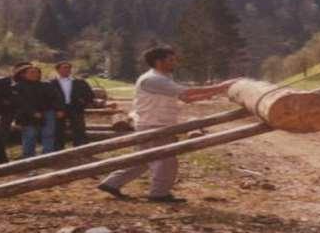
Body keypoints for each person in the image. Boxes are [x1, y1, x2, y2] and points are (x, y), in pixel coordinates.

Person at [96, 47, 235, 202]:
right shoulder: (153, 79)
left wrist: (217, 92)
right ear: (158, 61)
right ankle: (159, 194)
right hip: (154, 125)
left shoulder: (164, 78)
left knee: (141, 160)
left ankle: (111, 183)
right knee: (166, 161)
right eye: (171, 60)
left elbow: (185, 98)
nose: (175, 62)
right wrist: (222, 86)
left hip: (154, 123)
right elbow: (187, 92)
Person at [13, 64, 64, 158]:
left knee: (48, 134)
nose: (35, 74)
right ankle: (28, 157)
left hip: (48, 112)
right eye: (31, 72)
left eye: (37, 72)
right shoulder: (18, 87)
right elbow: (20, 102)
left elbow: (56, 98)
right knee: (30, 135)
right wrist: (33, 112)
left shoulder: (46, 85)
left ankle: (47, 156)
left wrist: (59, 109)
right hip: (27, 115)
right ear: (23, 74)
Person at [50, 61, 95, 149]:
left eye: (68, 68)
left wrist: (82, 103)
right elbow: (48, 98)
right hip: (59, 109)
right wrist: (56, 109)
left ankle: (80, 149)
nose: (67, 69)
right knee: (58, 130)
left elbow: (90, 95)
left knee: (79, 129)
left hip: (75, 108)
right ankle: (58, 150)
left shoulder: (80, 82)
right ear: (58, 70)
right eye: (64, 67)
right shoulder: (51, 83)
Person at [0, 61, 32, 144]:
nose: (23, 74)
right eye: (22, 72)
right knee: (2, 130)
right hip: (5, 111)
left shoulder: (31, 83)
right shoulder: (0, 82)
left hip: (25, 111)